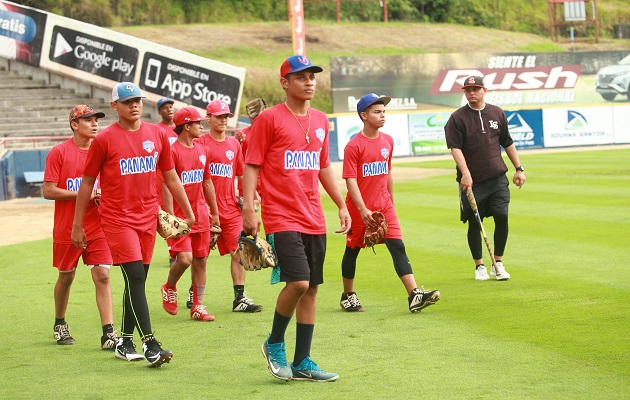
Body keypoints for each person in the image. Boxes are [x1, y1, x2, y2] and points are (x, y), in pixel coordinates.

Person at [71, 82, 196, 368]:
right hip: (116, 219)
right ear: (115, 106)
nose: (134, 105)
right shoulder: (104, 140)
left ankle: (125, 341)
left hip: (147, 217)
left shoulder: (156, 134)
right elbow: (87, 183)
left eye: (137, 100)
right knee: (136, 278)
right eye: (127, 101)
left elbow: (170, 175)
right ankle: (150, 343)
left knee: (136, 279)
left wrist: (187, 213)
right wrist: (78, 226)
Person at [242, 55, 351, 382]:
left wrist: (342, 204)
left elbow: (323, 167)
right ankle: (274, 342)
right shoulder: (270, 120)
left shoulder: (320, 120)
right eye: (301, 77)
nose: (309, 82)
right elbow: (252, 164)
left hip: (313, 215)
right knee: (299, 282)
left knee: (312, 288)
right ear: (285, 83)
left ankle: (303, 360)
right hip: (281, 214)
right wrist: (249, 207)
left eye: (312, 76)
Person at [340, 93, 441, 313]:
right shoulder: (354, 146)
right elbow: (350, 180)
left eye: (384, 111)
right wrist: (362, 209)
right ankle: (348, 295)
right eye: (377, 112)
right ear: (364, 115)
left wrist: (392, 203)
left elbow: (387, 173)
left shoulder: (387, 141)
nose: (382, 115)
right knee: (352, 250)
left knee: (398, 246)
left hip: (384, 207)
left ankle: (414, 295)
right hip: (360, 209)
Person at [43, 105, 117, 350]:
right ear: (75, 124)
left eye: (96, 120)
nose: (95, 124)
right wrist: (83, 193)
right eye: (88, 120)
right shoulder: (59, 152)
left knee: (103, 275)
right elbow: (48, 190)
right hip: (68, 227)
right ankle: (60, 323)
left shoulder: (103, 151)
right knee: (66, 277)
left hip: (98, 225)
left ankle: (108, 333)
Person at [444, 75, 526, 281]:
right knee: (474, 222)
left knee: (502, 217)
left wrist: (519, 168)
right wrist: (465, 173)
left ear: (484, 91)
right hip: (472, 182)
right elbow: (455, 148)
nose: (471, 92)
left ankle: (497, 262)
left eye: (476, 89)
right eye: (468, 89)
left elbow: (507, 142)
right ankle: (479, 265)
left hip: (497, 178)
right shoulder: (457, 118)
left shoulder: (497, 113)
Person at [195, 99, 263, 313]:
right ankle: (195, 296)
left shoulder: (234, 144)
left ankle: (239, 298)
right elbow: (196, 177)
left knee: (239, 252)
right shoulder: (201, 143)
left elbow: (242, 176)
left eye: (226, 116)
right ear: (209, 119)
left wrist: (251, 197)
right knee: (200, 257)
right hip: (205, 207)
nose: (224, 120)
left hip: (231, 207)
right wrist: (200, 204)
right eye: (219, 116)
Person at [160, 107, 220, 322]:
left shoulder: (203, 151)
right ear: (186, 126)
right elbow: (167, 185)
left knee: (201, 260)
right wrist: (169, 215)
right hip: (180, 217)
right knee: (185, 259)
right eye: (198, 123)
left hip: (201, 215)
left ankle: (198, 307)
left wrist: (214, 213)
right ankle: (169, 286)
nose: (202, 126)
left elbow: (207, 182)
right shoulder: (172, 151)